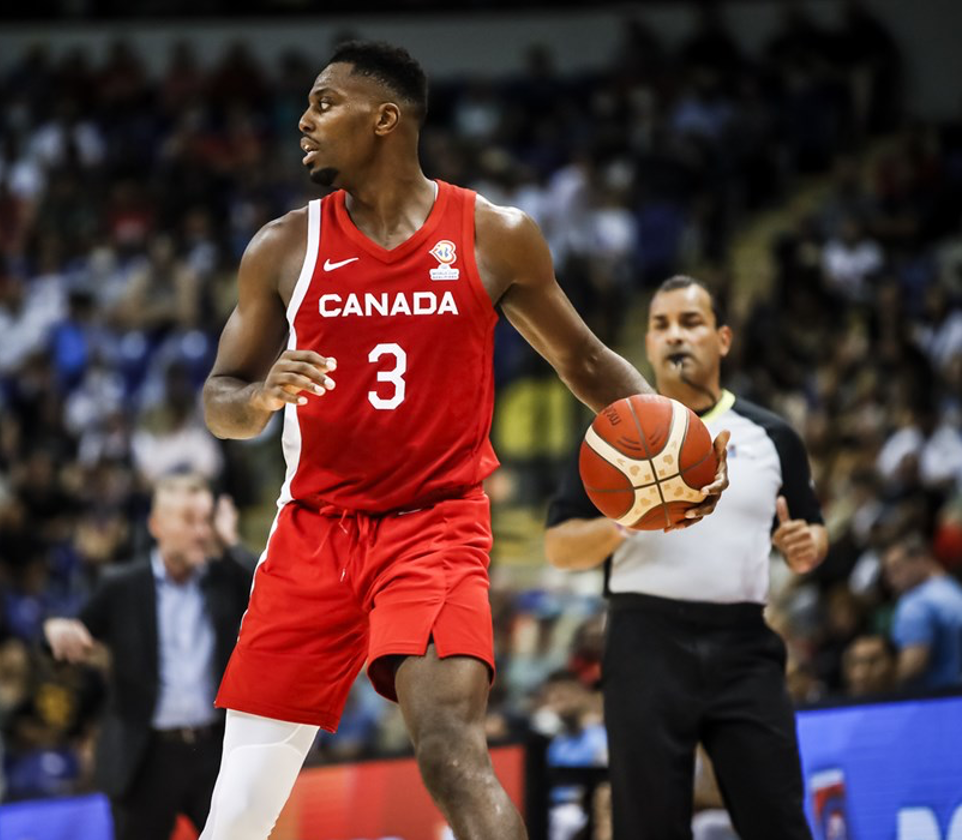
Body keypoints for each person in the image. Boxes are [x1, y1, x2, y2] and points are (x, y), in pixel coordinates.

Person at [198, 42, 728, 840]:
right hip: (310, 532)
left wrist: (683, 440)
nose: (303, 122)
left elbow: (583, 360)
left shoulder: (493, 235)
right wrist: (261, 399)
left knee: (449, 748)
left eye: (323, 103)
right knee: (237, 810)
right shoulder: (283, 246)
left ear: (385, 119)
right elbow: (218, 397)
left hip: (435, 530)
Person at [545, 275, 827, 840]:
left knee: (779, 820)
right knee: (647, 826)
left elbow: (813, 533)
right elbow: (559, 547)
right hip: (644, 639)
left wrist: (808, 546)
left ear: (722, 340)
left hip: (745, 645)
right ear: (647, 346)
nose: (675, 335)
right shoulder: (608, 437)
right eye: (661, 325)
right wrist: (631, 517)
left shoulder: (772, 436)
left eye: (691, 322)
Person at [44, 474, 253, 840]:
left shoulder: (226, 578)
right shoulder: (122, 584)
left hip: (213, 751)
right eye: (190, 520)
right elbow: (69, 637)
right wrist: (54, 633)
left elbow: (271, 593)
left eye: (206, 520)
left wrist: (231, 542)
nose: (201, 532)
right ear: (157, 525)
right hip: (145, 756)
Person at [881, 533, 962, 690]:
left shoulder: (915, 603)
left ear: (921, 559)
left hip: (935, 700)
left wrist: (885, 689)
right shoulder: (954, 590)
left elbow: (913, 665)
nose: (890, 579)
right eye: (887, 571)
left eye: (896, 568)